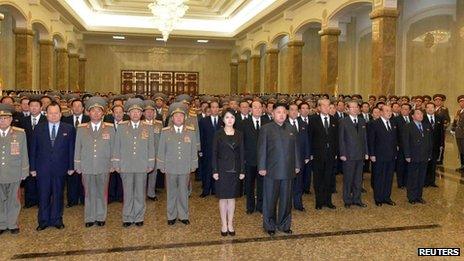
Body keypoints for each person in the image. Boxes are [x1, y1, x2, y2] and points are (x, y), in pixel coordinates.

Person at [30, 101, 75, 231]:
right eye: (51, 113)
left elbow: (71, 149)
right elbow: (33, 149)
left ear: (61, 114)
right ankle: (43, 220)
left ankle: (57, 219)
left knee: (58, 194)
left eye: (56, 113)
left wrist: (71, 166)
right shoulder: (39, 128)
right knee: (43, 195)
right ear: (46, 114)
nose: (53, 116)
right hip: (42, 168)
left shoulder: (69, 129)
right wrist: (32, 168)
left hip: (60, 168)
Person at [258, 102, 300, 236]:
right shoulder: (266, 128)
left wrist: (297, 165)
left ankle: (284, 224)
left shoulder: (292, 128)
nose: (281, 115)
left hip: (288, 170)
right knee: (270, 199)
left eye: (283, 112)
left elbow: (296, 149)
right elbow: (262, 149)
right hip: (271, 170)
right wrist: (262, 166)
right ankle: (269, 225)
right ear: (272, 114)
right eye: (278, 112)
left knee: (286, 199)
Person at [112, 98, 155, 227]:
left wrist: (150, 163)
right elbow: (116, 147)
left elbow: (151, 147)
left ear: (141, 113)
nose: (135, 114)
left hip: (142, 165)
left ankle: (139, 216)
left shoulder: (148, 128)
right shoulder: (121, 127)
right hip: (126, 165)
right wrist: (116, 163)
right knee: (128, 192)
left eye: (138, 111)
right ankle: (127, 217)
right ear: (128, 114)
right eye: (133, 112)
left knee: (140, 192)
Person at [74, 97, 115, 228]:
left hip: (103, 166)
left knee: (102, 193)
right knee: (89, 193)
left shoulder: (109, 128)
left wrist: (113, 164)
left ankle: (100, 216)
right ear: (88, 112)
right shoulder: (81, 128)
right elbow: (77, 148)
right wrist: (77, 164)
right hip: (87, 166)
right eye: (93, 110)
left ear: (103, 113)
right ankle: (90, 217)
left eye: (99, 111)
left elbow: (114, 148)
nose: (96, 113)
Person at [157, 103, 198, 226]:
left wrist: (193, 164)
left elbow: (193, 150)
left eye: (181, 116)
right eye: (176, 116)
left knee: (183, 192)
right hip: (170, 167)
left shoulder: (190, 132)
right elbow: (161, 150)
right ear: (172, 118)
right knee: (171, 192)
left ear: (184, 118)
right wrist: (161, 165)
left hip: (184, 167)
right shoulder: (165, 132)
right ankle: (171, 215)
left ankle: (183, 215)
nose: (179, 118)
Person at [211, 108, 245, 236]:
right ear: (223, 119)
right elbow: (214, 153)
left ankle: (230, 223)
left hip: (235, 170)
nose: (230, 120)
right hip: (222, 169)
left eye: (232, 117)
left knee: (232, 198)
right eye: (227, 117)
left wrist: (242, 170)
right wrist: (214, 170)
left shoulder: (239, 134)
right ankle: (223, 224)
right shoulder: (218, 134)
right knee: (222, 198)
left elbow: (242, 153)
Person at [0, 104, 29, 234]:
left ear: (11, 119)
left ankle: (12, 223)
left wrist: (24, 171)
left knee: (14, 200)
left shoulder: (19, 134)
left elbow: (24, 153)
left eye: (6, 118)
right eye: (0, 118)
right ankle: (1, 224)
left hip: (14, 172)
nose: (3, 121)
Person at [239, 100, 270, 214]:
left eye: (259, 107)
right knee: (249, 185)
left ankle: (260, 206)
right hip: (249, 159)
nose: (257, 109)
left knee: (262, 184)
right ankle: (250, 207)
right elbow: (241, 143)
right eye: (255, 107)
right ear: (251, 110)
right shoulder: (244, 123)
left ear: (262, 109)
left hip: (264, 161)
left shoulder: (267, 122)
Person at [309, 98, 338, 210]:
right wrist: (311, 153)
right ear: (319, 107)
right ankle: (319, 201)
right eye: (324, 106)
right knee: (318, 179)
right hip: (318, 154)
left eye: (328, 105)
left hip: (330, 154)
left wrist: (336, 152)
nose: (326, 108)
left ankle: (328, 201)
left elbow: (336, 138)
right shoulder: (313, 120)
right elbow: (310, 137)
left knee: (329, 178)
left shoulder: (334, 120)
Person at [339, 101, 368, 208]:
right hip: (348, 155)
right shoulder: (343, 121)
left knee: (358, 179)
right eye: (352, 107)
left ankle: (357, 199)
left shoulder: (362, 121)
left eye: (357, 107)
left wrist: (366, 152)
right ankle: (347, 200)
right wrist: (342, 153)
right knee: (348, 179)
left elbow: (365, 138)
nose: (355, 109)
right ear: (348, 109)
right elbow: (341, 139)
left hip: (360, 155)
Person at [61, 99, 89, 208]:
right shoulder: (65, 120)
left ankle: (83, 199)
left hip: (85, 152)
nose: (77, 108)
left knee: (84, 177)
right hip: (70, 152)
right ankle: (72, 200)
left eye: (79, 106)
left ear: (83, 108)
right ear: (71, 108)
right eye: (75, 106)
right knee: (71, 177)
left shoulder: (88, 120)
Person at [19, 98, 46, 208]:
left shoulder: (46, 120)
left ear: (41, 108)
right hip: (27, 153)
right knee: (29, 178)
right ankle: (30, 201)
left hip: (42, 154)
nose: (34, 108)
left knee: (41, 178)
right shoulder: (23, 121)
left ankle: (41, 201)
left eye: (36, 106)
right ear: (28, 107)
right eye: (32, 106)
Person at [368, 105, 398, 207]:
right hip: (378, 155)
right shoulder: (374, 124)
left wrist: (395, 153)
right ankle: (378, 198)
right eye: (387, 111)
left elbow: (395, 141)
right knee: (379, 177)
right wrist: (372, 154)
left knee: (389, 177)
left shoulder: (393, 123)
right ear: (381, 112)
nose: (389, 113)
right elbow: (371, 140)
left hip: (391, 155)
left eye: (390, 111)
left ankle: (386, 197)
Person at [403, 109, 432, 204]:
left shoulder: (426, 126)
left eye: (421, 114)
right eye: (418, 114)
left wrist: (429, 154)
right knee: (413, 177)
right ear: (413, 116)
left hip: (424, 156)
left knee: (421, 177)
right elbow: (406, 142)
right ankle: (411, 197)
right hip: (413, 155)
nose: (420, 115)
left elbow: (429, 142)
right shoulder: (408, 126)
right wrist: (407, 155)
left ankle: (419, 196)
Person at [287, 104, 310, 211]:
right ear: (288, 112)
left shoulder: (303, 123)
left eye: (296, 110)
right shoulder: (284, 124)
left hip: (300, 158)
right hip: (287, 158)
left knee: (299, 182)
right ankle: (287, 204)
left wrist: (307, 155)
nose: (294, 112)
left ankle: (298, 204)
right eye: (292, 110)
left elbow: (306, 140)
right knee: (288, 183)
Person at [199, 100, 222, 197]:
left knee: (217, 170)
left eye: (217, 107)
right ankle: (206, 190)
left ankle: (215, 190)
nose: (215, 109)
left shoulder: (223, 121)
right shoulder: (203, 121)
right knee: (207, 170)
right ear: (210, 109)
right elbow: (201, 136)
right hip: (207, 149)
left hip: (220, 151)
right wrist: (200, 150)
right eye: (213, 107)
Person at [104, 104, 127, 203]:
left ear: (123, 114)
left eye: (120, 112)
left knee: (122, 176)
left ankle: (121, 195)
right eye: (116, 112)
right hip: (110, 154)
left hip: (124, 155)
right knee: (111, 176)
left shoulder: (127, 125)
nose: (118, 114)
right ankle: (111, 195)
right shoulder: (107, 126)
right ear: (113, 114)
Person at [143, 100, 163, 201]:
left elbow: (162, 140)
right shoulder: (140, 124)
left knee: (153, 174)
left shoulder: (159, 124)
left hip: (154, 154)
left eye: (152, 111)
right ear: (143, 113)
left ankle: (151, 193)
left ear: (154, 112)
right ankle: (141, 193)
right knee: (142, 175)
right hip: (142, 154)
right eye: (147, 111)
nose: (149, 113)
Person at [423, 102, 444, 188]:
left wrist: (441, 144)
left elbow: (441, 132)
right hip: (425, 145)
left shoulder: (439, 118)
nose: (430, 109)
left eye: (432, 107)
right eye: (428, 107)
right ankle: (425, 181)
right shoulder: (422, 118)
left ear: (435, 108)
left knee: (433, 163)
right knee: (426, 164)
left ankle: (432, 181)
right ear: (426, 109)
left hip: (435, 145)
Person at [451, 95, 464, 172]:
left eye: (463, 101)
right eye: (460, 101)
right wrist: (453, 129)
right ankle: (462, 165)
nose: (462, 103)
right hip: (458, 134)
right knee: (461, 150)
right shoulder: (459, 111)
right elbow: (455, 121)